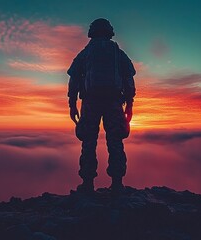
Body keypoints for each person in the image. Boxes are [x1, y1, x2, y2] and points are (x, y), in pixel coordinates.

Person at [67, 18, 136, 194]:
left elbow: (74, 78)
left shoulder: (86, 52)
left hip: (90, 102)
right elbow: (129, 78)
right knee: (115, 140)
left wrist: (72, 104)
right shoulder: (117, 53)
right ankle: (117, 183)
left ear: (92, 32)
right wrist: (129, 105)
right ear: (109, 31)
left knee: (88, 141)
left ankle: (88, 183)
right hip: (113, 101)